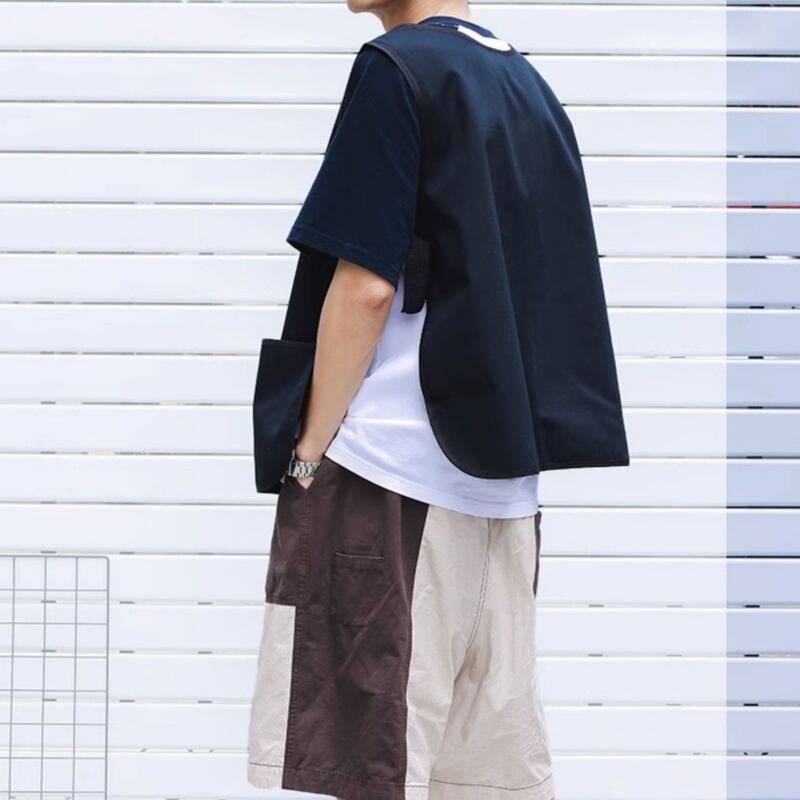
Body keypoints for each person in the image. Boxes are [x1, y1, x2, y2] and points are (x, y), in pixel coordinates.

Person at [247, 2, 629, 799]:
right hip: (500, 495)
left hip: (387, 485)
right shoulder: (525, 84)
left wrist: (308, 457)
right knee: (481, 782)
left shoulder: (397, 69)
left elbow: (366, 286)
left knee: (364, 773)